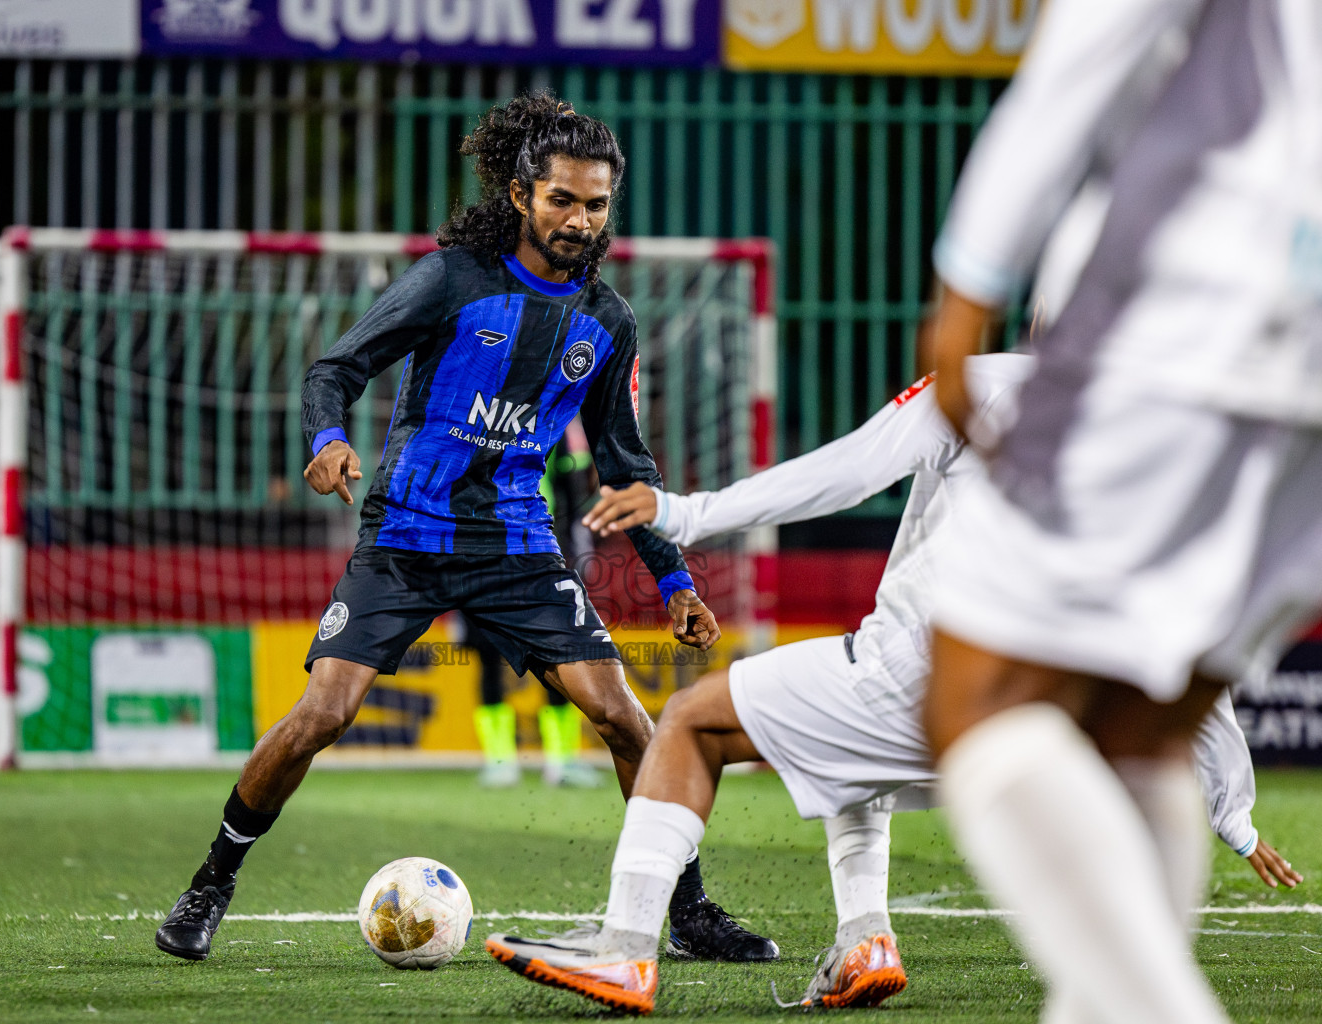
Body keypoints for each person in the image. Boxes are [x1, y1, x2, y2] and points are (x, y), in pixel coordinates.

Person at [154, 93, 777, 964]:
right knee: (323, 714)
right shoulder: (451, 279)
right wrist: (328, 439)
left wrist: (673, 579)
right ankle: (210, 883)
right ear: (522, 193)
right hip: (405, 533)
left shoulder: (607, 323)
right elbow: (334, 370)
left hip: (518, 545)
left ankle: (687, 910)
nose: (580, 219)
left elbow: (624, 467)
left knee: (631, 722)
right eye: (562, 199)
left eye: (597, 204)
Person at [483, 352, 1299, 1014]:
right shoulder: (1174, 446)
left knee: (691, 720)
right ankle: (866, 936)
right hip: (1052, 732)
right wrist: (1234, 814)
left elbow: (847, 472)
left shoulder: (991, 384)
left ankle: (625, 947)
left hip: (941, 672)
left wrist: (689, 514)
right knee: (850, 761)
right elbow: (1201, 647)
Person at [916, 1, 1322, 1022]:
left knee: (983, 702)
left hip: (1210, 297)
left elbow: (1097, 36)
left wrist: (969, 284)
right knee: (1142, 728)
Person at [474, 422, 605, 789]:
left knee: (557, 655)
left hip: (543, 555)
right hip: (483, 555)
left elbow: (572, 494)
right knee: (489, 657)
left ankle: (560, 760)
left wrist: (569, 555)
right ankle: (500, 761)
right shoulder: (479, 421)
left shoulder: (554, 424)